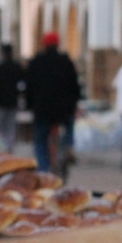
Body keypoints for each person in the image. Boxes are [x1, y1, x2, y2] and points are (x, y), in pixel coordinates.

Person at [24, 32, 81, 171]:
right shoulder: (65, 61)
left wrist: (29, 105)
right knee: (69, 123)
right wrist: (75, 102)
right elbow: (74, 85)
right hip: (63, 109)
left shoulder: (36, 61)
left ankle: (43, 170)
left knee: (40, 141)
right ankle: (68, 145)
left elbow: (29, 86)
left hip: (42, 109)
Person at [0, 43, 26, 153]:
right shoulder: (16, 67)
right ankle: (8, 147)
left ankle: (3, 148)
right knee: (10, 127)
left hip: (1, 102)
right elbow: (23, 83)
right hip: (12, 101)